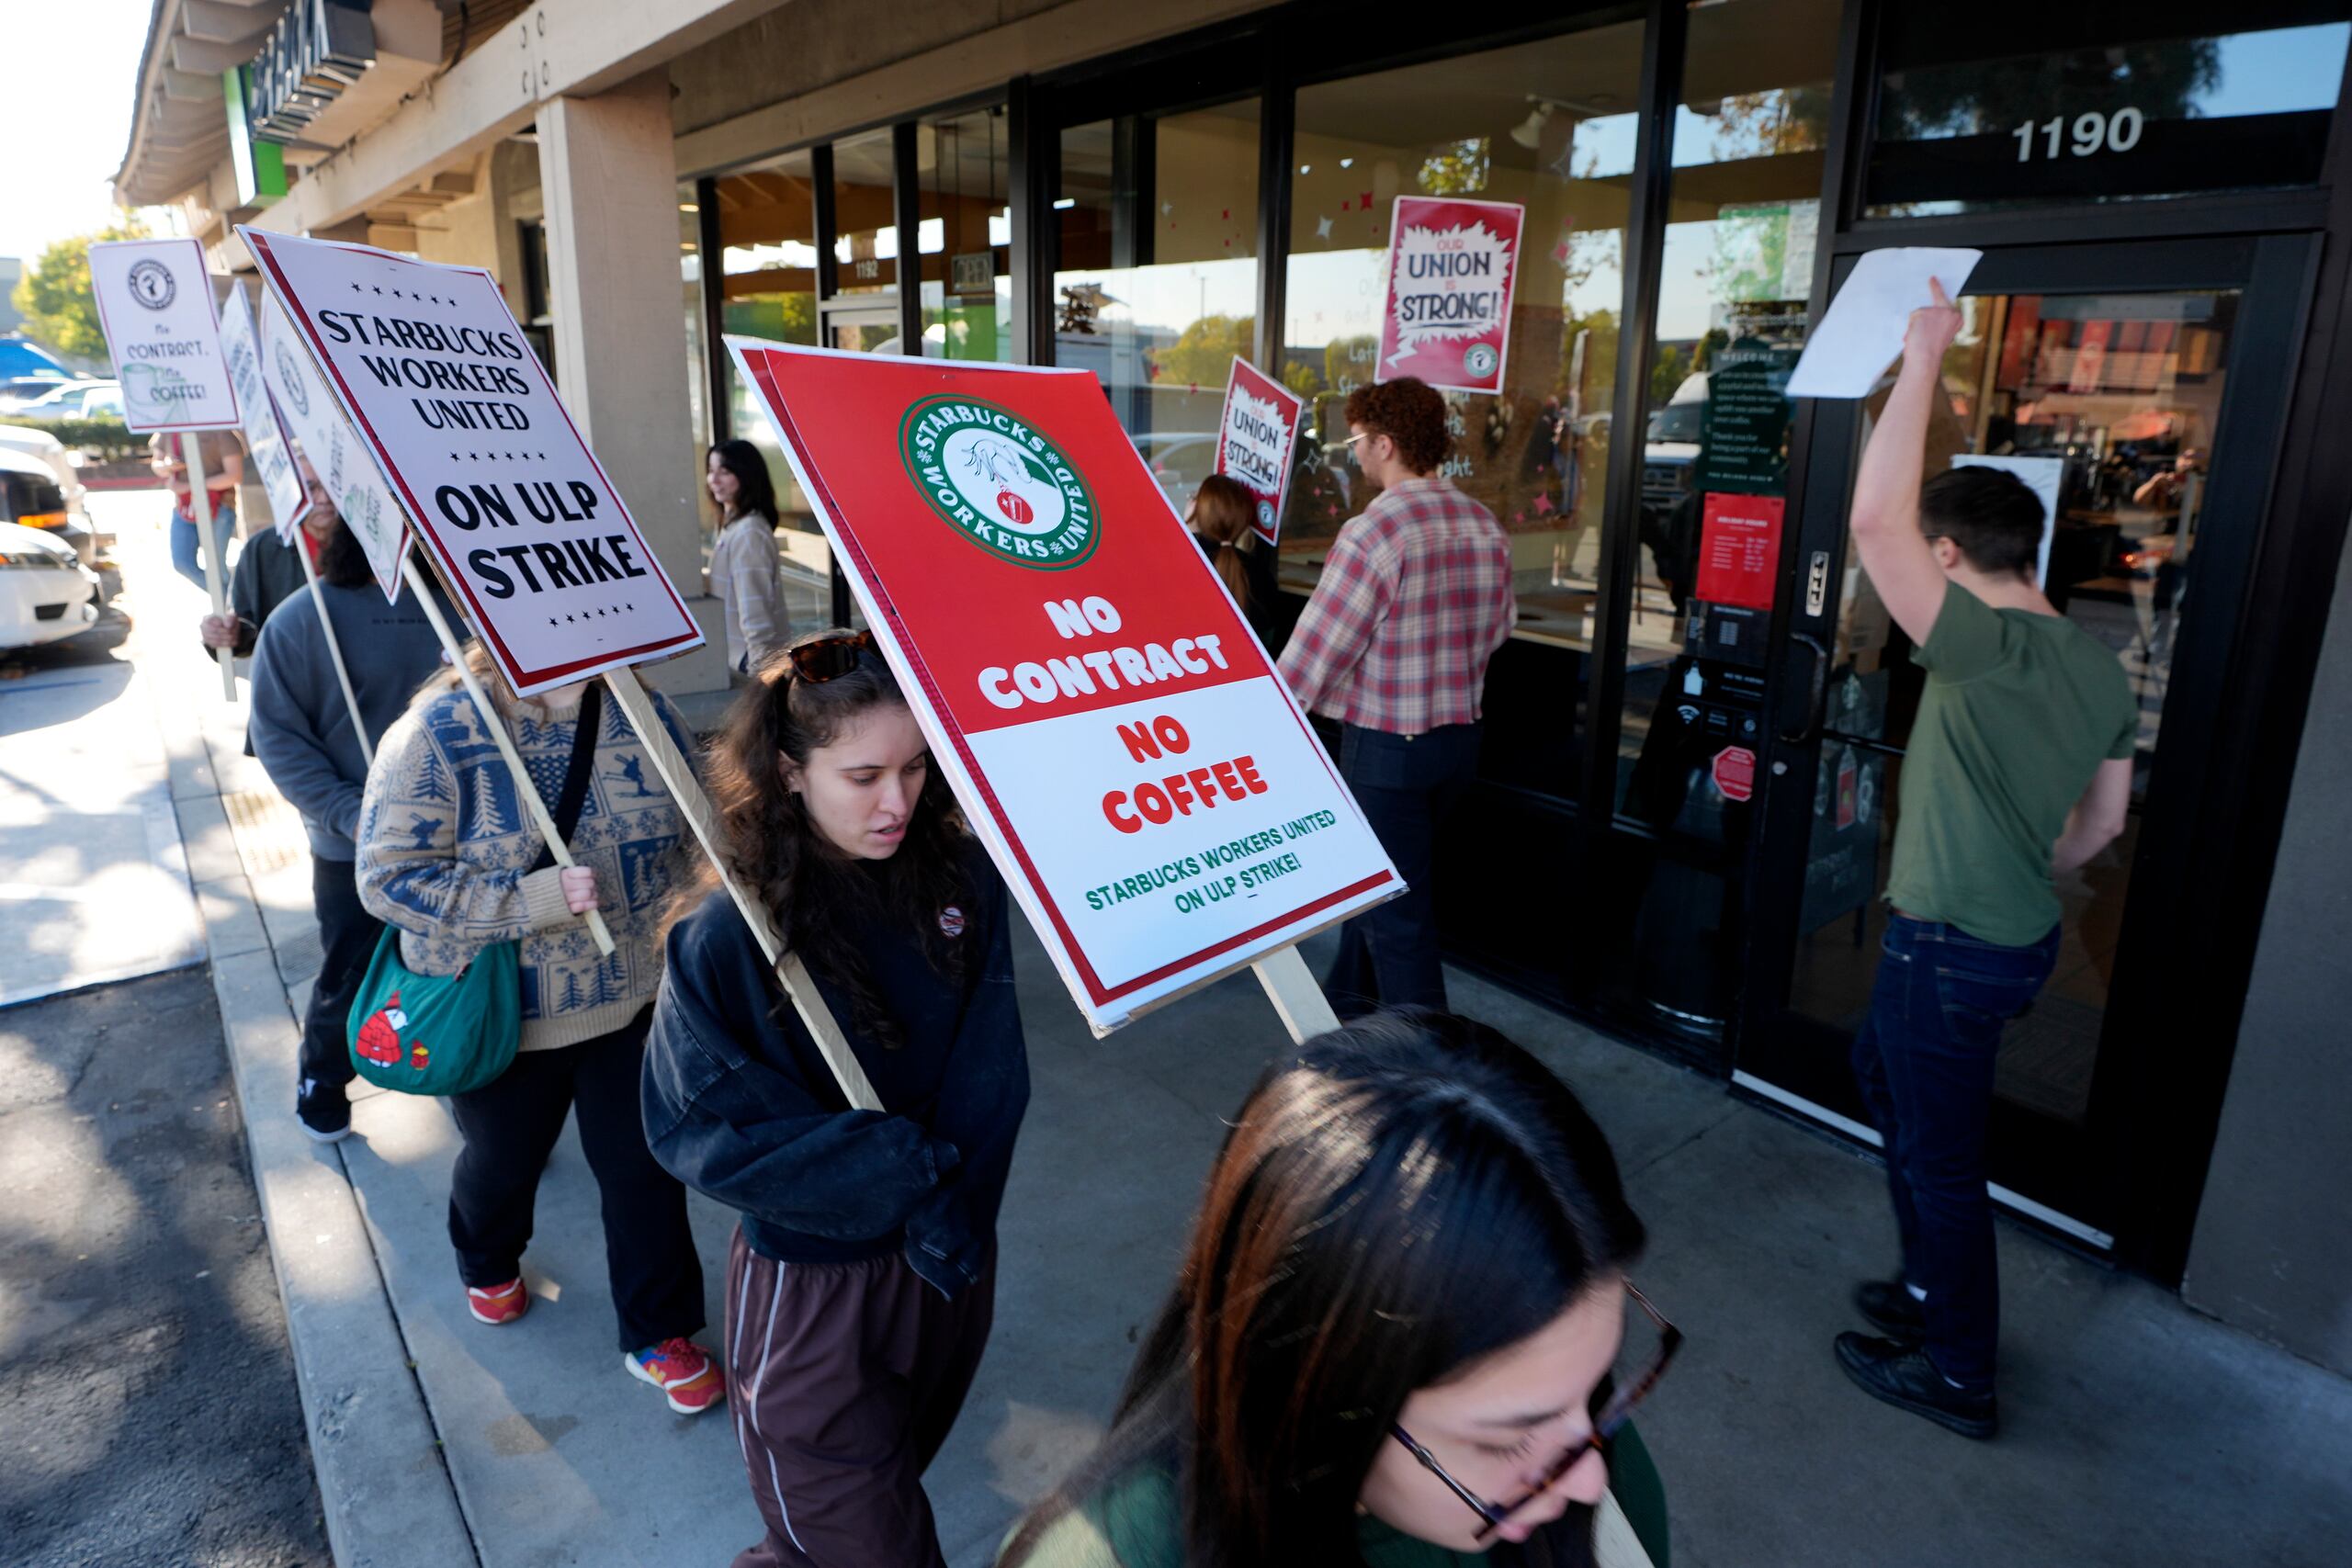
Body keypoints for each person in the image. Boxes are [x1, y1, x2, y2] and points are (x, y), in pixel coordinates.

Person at [999, 1010, 1672, 1568]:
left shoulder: (1577, 1444)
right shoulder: (1123, 1555)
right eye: (1503, 1443)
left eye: (1597, 1387)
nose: (1591, 1475)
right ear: (1316, 1393)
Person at [642, 629, 1030, 1568]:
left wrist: (953, 1199)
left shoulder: (963, 880)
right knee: (868, 1541)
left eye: (916, 768)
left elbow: (993, 1064)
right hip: (815, 1290)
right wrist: (893, 1168)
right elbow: (696, 1127)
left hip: (943, 1262)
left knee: (867, 1504)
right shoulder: (730, 933)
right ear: (787, 771)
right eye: (863, 776)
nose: (898, 802)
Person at [1834, 280, 2134, 1439]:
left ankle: (1957, 1371)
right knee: (1881, 1077)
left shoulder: (1979, 649)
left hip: (1947, 942)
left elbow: (1872, 523)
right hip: (2014, 939)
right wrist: (2022, 853)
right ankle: (1923, 1289)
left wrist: (1922, 357)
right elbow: (2100, 831)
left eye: (1928, 559)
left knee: (1947, 1166)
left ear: (1950, 552)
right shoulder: (2095, 664)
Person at [355, 637, 722, 1416]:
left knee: (645, 1169)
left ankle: (659, 1329)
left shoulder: (642, 707)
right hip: (500, 1016)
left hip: (632, 999)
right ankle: (485, 1256)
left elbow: (701, 832)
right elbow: (386, 878)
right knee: (501, 1160)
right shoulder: (438, 729)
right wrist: (527, 900)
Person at [1278, 378, 1515, 1016]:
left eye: (1356, 440)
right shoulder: (1481, 522)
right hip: (1459, 743)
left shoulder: (1374, 531)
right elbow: (1499, 628)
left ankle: (1427, 1076)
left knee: (1398, 922)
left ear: (1384, 443)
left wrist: (1271, 723)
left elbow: (1316, 652)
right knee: (1383, 895)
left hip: (1389, 754)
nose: (1353, 453)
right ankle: (1345, 1020)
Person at [245, 468, 449, 1142]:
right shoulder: (302, 620)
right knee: (350, 970)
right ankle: (322, 1078)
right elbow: (279, 737)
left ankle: (455, 1068)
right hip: (352, 842)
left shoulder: (457, 610)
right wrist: (348, 811)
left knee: (453, 971)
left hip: (455, 838)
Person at [200, 453, 339, 663]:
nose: (324, 498)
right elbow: (246, 626)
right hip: (291, 677)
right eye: (310, 488)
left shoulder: (371, 548)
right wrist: (224, 633)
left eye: (331, 486)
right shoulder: (262, 549)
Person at [707, 440, 790, 677]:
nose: (714, 480)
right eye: (711, 471)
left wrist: (761, 668)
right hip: (742, 656)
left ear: (746, 475)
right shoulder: (733, 525)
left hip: (752, 660)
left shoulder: (749, 531)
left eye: (724, 471)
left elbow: (754, 603)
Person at [1185, 474, 1281, 650]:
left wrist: (1188, 531)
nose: (1189, 502)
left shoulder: (1184, 563)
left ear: (1200, 511)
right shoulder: (1259, 571)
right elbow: (1269, 637)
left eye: (1193, 497)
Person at [150, 429, 243, 592]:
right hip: (184, 507)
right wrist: (167, 466)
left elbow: (234, 475)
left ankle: (229, 606)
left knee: (216, 566)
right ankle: (228, 601)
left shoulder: (221, 432)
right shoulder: (170, 429)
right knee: (182, 563)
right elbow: (156, 462)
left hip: (219, 506)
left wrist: (191, 486)